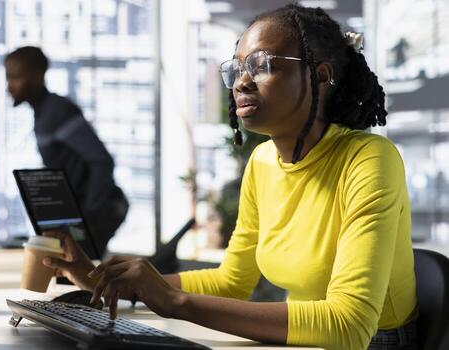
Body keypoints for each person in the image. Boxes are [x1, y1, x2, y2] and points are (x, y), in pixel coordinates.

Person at [41, 4, 418, 350]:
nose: (242, 82)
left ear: (320, 76)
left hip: (376, 342)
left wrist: (176, 302)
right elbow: (231, 282)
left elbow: (349, 324)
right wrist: (104, 280)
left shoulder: (368, 160)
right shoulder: (263, 163)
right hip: (307, 340)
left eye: (263, 64)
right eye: (238, 68)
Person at [5, 46, 128, 259]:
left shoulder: (58, 111)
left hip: (101, 209)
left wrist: (87, 216)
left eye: (15, 77)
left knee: (78, 276)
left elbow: (102, 161)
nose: (10, 87)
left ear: (37, 75)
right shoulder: (42, 114)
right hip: (82, 213)